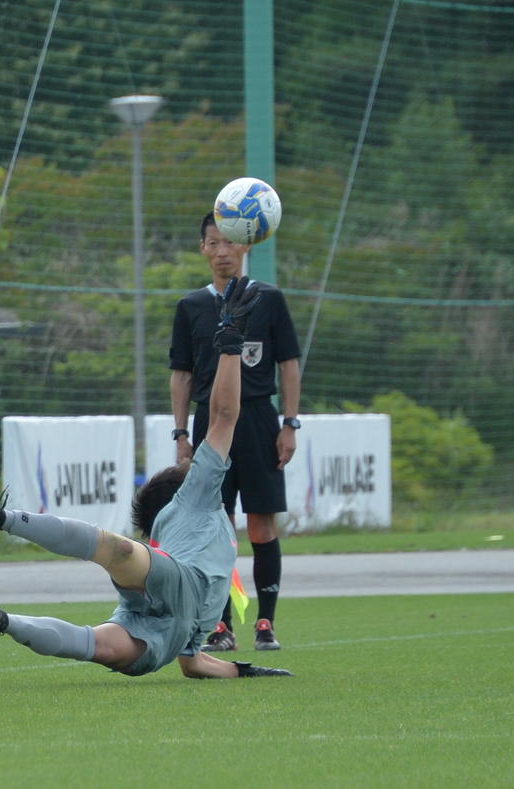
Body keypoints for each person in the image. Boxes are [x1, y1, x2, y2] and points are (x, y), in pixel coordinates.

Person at [0, 277, 291, 681]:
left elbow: (194, 663)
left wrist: (244, 672)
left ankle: (1, 620)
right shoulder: (196, 498)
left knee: (96, 643)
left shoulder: (184, 522)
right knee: (115, 553)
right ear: (182, 490)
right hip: (175, 590)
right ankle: (0, 520)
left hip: (164, 629)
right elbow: (225, 415)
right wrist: (229, 345)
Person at [168, 212, 302, 652]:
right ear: (202, 249)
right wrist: (181, 433)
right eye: (212, 243)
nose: (222, 251)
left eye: (229, 242)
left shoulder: (269, 299)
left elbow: (288, 364)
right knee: (215, 529)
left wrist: (289, 423)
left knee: (261, 527)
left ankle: (265, 622)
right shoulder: (191, 307)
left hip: (260, 421)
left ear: (246, 245)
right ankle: (220, 625)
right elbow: (182, 373)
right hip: (211, 423)